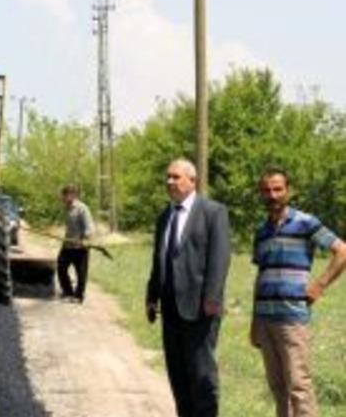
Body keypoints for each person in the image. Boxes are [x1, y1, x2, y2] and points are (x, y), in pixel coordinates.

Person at [250, 167, 346, 417]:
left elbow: (342, 251)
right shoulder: (261, 231)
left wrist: (319, 285)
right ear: (261, 193)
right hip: (265, 319)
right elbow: (260, 277)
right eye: (267, 190)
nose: (272, 195)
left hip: (292, 319)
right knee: (277, 387)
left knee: (299, 386)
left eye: (277, 189)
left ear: (288, 191)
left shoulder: (306, 222)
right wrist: (254, 322)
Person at [145, 158, 231, 417]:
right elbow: (158, 260)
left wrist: (213, 298)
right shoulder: (164, 217)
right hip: (170, 310)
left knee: (201, 377)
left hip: (200, 309)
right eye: (168, 177)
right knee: (178, 377)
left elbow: (220, 257)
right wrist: (151, 296)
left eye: (176, 177)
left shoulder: (213, 212)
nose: (170, 182)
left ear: (192, 181)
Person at [57, 184, 94, 302]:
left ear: (72, 195)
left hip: (80, 247)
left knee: (81, 273)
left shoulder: (82, 208)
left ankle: (78, 296)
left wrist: (85, 239)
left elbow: (89, 227)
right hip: (67, 245)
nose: (62, 198)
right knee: (61, 267)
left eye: (64, 195)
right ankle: (68, 292)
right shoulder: (67, 207)